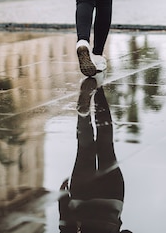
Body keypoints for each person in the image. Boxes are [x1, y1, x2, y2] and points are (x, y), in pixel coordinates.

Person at [58, 78, 132, 233]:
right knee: (84, 149)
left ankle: (98, 87)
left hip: (111, 203)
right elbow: (66, 228)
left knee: (106, 146)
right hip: (81, 201)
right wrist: (63, 200)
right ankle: (83, 114)